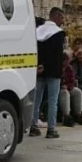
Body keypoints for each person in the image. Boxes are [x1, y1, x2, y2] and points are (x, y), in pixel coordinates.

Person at [30, 8, 67, 139]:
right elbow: (56, 55)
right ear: (56, 17)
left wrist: (39, 65)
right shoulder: (58, 34)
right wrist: (47, 66)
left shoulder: (37, 31)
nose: (63, 21)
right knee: (53, 101)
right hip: (53, 71)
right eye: (62, 17)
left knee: (36, 100)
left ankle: (33, 127)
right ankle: (51, 129)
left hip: (38, 71)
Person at [58, 50, 82, 127]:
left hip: (68, 87)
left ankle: (78, 114)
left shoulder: (69, 68)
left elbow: (72, 81)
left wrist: (68, 86)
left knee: (78, 91)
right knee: (65, 93)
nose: (67, 63)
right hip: (59, 89)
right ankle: (66, 116)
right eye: (65, 61)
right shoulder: (57, 69)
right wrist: (62, 86)